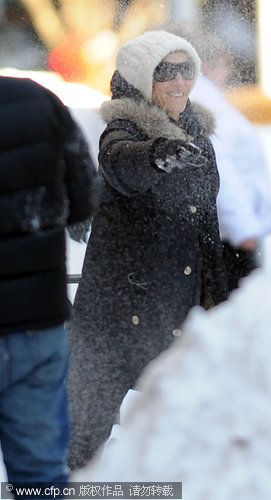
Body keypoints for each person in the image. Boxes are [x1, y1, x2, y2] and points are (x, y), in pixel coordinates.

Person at [67, 29, 229, 470]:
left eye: (186, 71)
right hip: (118, 314)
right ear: (142, 78)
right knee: (83, 442)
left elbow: (206, 226)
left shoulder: (198, 136)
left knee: (190, 433)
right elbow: (123, 162)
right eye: (165, 72)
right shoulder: (122, 131)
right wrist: (158, 154)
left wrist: (222, 297)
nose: (179, 82)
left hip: (176, 306)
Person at [0, 76, 100, 492]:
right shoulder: (38, 101)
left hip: (36, 322)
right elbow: (82, 200)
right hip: (36, 325)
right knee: (40, 475)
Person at [188, 30, 271, 291]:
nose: (226, 74)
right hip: (230, 235)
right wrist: (243, 230)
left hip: (227, 232)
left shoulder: (205, 99)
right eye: (224, 66)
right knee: (234, 311)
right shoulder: (206, 102)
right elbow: (219, 170)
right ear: (206, 65)